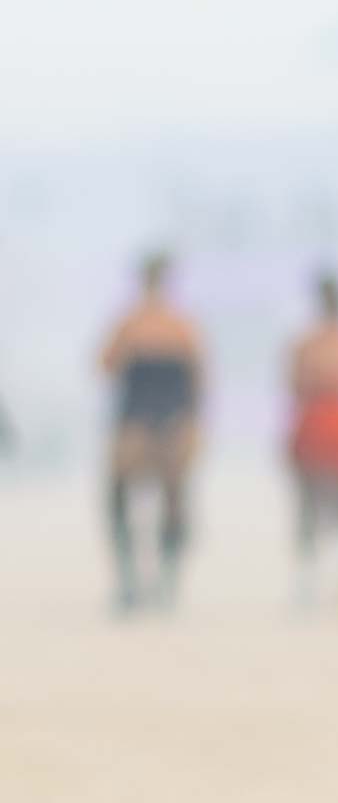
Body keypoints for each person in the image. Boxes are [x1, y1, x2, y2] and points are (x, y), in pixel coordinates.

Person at [99, 252, 203, 611]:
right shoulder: (182, 325)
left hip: (139, 420)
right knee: (175, 498)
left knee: (117, 496)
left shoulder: (130, 324)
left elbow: (107, 365)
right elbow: (199, 377)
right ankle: (166, 579)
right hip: (171, 419)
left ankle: (131, 578)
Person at [287, 272, 338, 608]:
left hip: (316, 421)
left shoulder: (307, 343)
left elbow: (294, 383)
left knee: (309, 506)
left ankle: (310, 583)